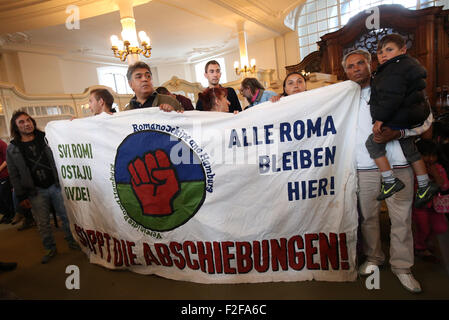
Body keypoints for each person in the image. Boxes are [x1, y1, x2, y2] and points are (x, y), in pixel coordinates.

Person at [343, 49, 432, 293]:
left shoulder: (394, 85)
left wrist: (401, 133)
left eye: (361, 63)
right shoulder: (342, 97)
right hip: (363, 166)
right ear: (345, 72)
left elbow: (426, 118)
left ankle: (403, 267)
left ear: (370, 64)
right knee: (369, 217)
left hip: (399, 163)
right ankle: (374, 258)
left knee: (401, 217)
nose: (356, 68)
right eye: (350, 66)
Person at [365, 34, 438, 206]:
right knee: (409, 148)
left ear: (403, 50)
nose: (383, 55)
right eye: (380, 52)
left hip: (399, 115)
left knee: (373, 143)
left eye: (389, 50)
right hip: (409, 116)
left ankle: (389, 181)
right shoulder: (406, 67)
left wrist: (380, 120)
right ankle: (424, 184)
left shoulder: (394, 69)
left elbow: (391, 97)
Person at [6, 111, 80, 264]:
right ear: (15, 126)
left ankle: (72, 241)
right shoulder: (12, 148)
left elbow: (65, 139)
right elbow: (13, 174)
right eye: (21, 122)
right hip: (35, 191)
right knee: (43, 222)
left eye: (28, 120)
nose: (27, 124)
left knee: (66, 216)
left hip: (55, 185)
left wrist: (74, 125)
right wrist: (21, 196)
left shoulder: (46, 138)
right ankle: (50, 248)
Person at [412, 139, 448, 263]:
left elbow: (444, 186)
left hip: (436, 206)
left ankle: (426, 241)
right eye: (426, 155)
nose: (430, 159)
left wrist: (435, 174)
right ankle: (420, 247)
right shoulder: (413, 169)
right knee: (423, 227)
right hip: (419, 206)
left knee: (441, 227)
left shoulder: (438, 168)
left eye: (433, 155)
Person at [0, 139, 14, 224]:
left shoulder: (1, 144)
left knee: (5, 196)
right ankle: (6, 214)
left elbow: (7, 159)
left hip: (4, 175)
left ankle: (11, 215)